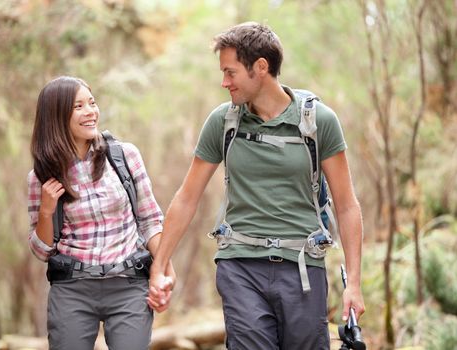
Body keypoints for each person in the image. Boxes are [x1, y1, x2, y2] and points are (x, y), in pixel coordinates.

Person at [147, 22, 365, 349]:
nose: (224, 82)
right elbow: (186, 198)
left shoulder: (319, 121)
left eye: (231, 72)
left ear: (260, 67)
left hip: (303, 268)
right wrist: (160, 264)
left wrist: (355, 284)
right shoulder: (223, 122)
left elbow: (347, 205)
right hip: (240, 266)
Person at [27, 76, 174, 350]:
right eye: (78, 106)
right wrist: (46, 212)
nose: (90, 112)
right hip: (72, 290)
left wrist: (164, 269)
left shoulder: (124, 156)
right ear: (56, 116)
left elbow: (150, 220)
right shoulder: (41, 177)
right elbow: (41, 251)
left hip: (129, 284)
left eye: (92, 103)